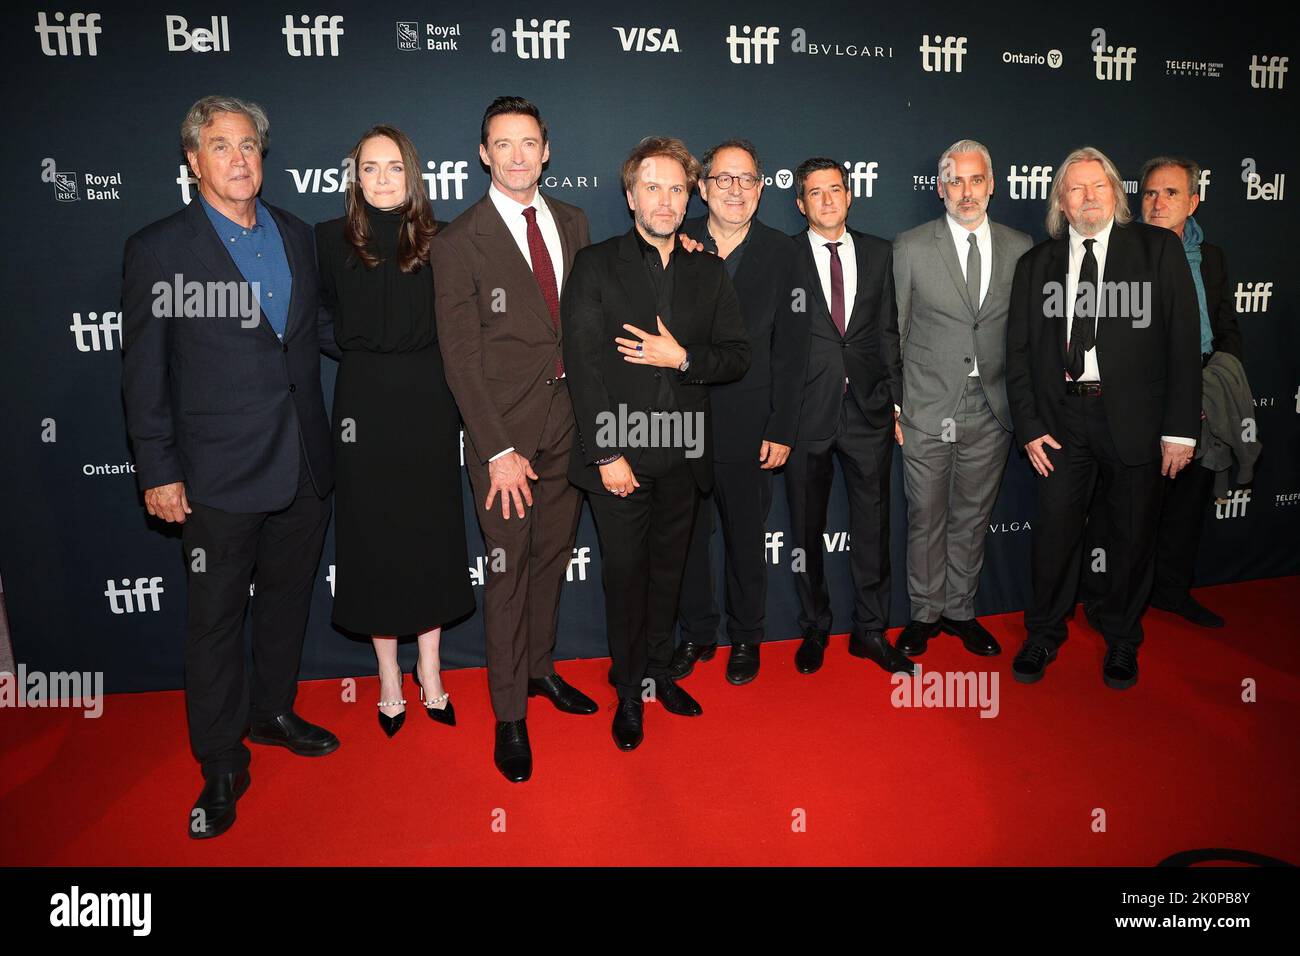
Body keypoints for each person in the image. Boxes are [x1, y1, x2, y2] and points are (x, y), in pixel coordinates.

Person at [121, 95, 339, 839]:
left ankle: (273, 711)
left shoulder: (298, 235)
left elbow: (321, 337)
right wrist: (158, 468)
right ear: (193, 160)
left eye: (249, 145)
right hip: (215, 474)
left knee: (285, 602)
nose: (239, 159)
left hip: (304, 460)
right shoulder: (159, 249)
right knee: (214, 621)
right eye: (221, 147)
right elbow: (143, 374)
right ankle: (220, 760)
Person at [562, 136, 750, 751]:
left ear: (688, 195)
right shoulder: (594, 264)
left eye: (675, 188)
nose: (664, 200)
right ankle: (627, 691)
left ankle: (663, 671)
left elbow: (735, 356)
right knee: (626, 579)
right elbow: (584, 367)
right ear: (629, 194)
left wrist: (683, 357)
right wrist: (608, 455)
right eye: (652, 187)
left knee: (669, 575)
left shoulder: (706, 265)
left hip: (683, 454)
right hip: (622, 456)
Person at [431, 97, 596, 783]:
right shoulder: (457, 240)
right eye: (504, 143)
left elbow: (587, 319)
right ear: (484, 154)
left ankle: (538, 672)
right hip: (507, 440)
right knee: (506, 569)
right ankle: (508, 716)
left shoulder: (574, 222)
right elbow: (460, 356)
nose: (518, 155)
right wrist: (496, 447)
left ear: (547, 150)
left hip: (571, 422)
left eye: (529, 142)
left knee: (552, 558)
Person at [1005, 146, 1200, 690]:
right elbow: (1017, 353)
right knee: (1053, 537)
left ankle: (1121, 639)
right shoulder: (1036, 265)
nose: (1088, 197)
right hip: (1061, 419)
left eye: (1099, 187)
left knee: (1133, 535)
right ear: (1061, 203)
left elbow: (1184, 346)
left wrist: (1180, 430)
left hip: (1136, 419)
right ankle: (1043, 633)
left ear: (1117, 194)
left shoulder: (1158, 251)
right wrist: (1029, 426)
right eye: (1076, 189)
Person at [316, 125, 475, 739]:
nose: (382, 179)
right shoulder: (328, 240)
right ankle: (387, 676)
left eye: (394, 168)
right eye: (370, 168)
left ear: (414, 175)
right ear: (355, 176)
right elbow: (319, 319)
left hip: (430, 402)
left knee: (430, 534)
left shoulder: (442, 242)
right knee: (372, 538)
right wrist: (363, 353)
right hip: (361, 403)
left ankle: (430, 673)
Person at [1081, 156, 1244, 629]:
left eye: (1171, 193)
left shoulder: (1210, 257)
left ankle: (1171, 591)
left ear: (1193, 202)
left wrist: (1219, 377)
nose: (1158, 202)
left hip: (1201, 386)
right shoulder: (1122, 250)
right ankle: (1107, 595)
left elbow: (1225, 322)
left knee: (1187, 498)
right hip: (1140, 393)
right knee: (1125, 505)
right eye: (1150, 193)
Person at [671, 139, 808, 685]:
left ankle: (747, 636)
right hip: (683, 421)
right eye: (722, 179)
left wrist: (782, 426)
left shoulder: (784, 253)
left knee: (747, 539)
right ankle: (697, 634)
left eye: (745, 179)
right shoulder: (675, 244)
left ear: (760, 189)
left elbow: (795, 348)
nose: (734, 189)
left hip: (752, 425)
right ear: (702, 189)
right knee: (686, 539)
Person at [892, 140, 1032, 658]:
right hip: (927, 406)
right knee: (925, 516)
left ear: (992, 184)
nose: (966, 191)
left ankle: (961, 610)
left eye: (976, 180)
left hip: (993, 409)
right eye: (955, 181)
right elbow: (897, 332)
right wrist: (895, 404)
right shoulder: (910, 246)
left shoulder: (1021, 247)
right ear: (939, 187)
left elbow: (1025, 336)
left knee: (972, 516)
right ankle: (924, 613)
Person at [785, 158, 913, 677]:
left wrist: (896, 401)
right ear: (801, 203)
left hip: (869, 410)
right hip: (805, 414)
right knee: (804, 528)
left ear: (850, 193)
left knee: (873, 525)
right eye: (815, 193)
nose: (828, 199)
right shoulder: (784, 255)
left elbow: (890, 333)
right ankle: (815, 626)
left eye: (835, 189)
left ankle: (871, 630)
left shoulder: (882, 253)